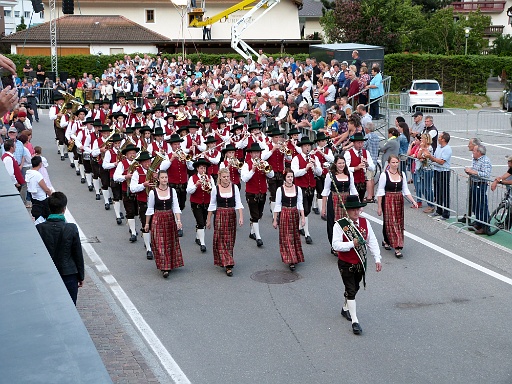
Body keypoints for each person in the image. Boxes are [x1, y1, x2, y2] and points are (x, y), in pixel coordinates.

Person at [332, 195, 382, 335]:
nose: (355, 212)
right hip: (345, 263)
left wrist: (377, 259)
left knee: (355, 287)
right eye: (352, 209)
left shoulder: (365, 222)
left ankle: (345, 307)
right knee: (351, 290)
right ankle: (355, 321)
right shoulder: (339, 225)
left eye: (357, 209)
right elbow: (335, 245)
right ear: (347, 210)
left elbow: (372, 241)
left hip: (360, 262)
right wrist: (351, 244)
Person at [36, 192, 84, 305]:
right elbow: (77, 253)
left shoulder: (39, 228)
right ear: (64, 209)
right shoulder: (71, 228)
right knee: (71, 306)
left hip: (48, 273)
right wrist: (81, 275)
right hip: (69, 273)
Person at [377, 155, 418, 258]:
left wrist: (413, 201)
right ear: (389, 163)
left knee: (398, 222)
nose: (395, 164)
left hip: (399, 199)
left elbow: (405, 190)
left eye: (396, 162)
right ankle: (397, 247)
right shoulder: (384, 175)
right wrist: (379, 207)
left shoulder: (402, 174)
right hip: (388, 199)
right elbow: (380, 192)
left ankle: (387, 241)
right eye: (393, 162)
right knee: (391, 222)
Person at [145, 170, 184, 278]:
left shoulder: (172, 191)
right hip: (158, 218)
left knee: (169, 242)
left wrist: (178, 221)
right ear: (158, 179)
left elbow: (176, 206)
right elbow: (150, 208)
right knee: (159, 242)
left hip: (169, 218)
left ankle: (168, 263)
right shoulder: (153, 192)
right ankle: (164, 267)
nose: (164, 180)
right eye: (162, 178)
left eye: (166, 177)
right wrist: (147, 224)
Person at [206, 168, 244, 277]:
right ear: (220, 177)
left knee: (230, 239)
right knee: (221, 238)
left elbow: (238, 203)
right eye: (224, 177)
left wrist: (241, 216)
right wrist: (208, 220)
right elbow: (212, 205)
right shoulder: (215, 189)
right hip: (219, 215)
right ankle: (228, 264)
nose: (226, 179)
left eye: (227, 176)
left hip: (231, 215)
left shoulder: (234, 187)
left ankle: (227, 259)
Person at [241, 142, 275, 247]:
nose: (256, 155)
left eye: (258, 153)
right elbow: (244, 178)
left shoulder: (263, 162)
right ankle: (258, 237)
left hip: (262, 192)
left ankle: (252, 232)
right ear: (250, 154)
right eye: (254, 153)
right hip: (251, 193)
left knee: (259, 214)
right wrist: (253, 170)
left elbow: (271, 174)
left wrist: (266, 170)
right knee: (255, 215)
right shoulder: (246, 164)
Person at [322, 155, 357, 253]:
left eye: (343, 163)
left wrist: (357, 203)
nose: (341, 165)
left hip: (346, 201)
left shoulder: (349, 173)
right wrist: (323, 208)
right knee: (334, 223)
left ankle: (346, 243)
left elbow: (353, 188)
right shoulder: (330, 175)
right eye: (339, 163)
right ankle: (335, 245)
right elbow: (325, 191)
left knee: (347, 222)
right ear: (335, 164)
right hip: (334, 200)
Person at [272, 169, 305, 271]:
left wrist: (302, 217)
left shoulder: (297, 189)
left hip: (294, 213)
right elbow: (277, 205)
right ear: (285, 178)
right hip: (285, 213)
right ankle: (290, 260)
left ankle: (295, 256)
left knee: (294, 236)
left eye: (291, 177)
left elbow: (300, 204)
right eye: (288, 177)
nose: (290, 179)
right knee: (286, 237)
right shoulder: (280, 190)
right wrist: (275, 219)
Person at [291, 136, 322, 244]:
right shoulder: (296, 158)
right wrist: (306, 169)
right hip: (301, 187)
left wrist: (315, 166)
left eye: (309, 145)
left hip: (311, 187)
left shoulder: (314, 158)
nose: (307, 148)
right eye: (305, 146)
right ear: (302, 147)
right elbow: (294, 173)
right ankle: (307, 234)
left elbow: (320, 173)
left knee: (307, 209)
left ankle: (300, 226)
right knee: (305, 209)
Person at [187, 157, 214, 253]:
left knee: (203, 221)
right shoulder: (192, 178)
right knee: (201, 223)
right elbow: (188, 190)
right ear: (197, 169)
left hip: (207, 203)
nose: (203, 170)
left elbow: (214, 191)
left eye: (204, 168)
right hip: (196, 203)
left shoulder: (209, 177)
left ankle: (198, 237)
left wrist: (210, 184)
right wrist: (196, 185)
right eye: (201, 168)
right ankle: (202, 243)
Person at [464, 144, 492, 234]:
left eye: (474, 151)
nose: (473, 152)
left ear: (479, 152)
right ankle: (478, 222)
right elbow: (474, 169)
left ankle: (485, 226)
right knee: (475, 204)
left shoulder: (485, 161)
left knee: (482, 206)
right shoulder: (475, 159)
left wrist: (473, 172)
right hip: (474, 182)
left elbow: (486, 174)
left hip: (481, 184)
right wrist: (469, 171)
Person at [424, 131, 452, 220]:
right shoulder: (439, 147)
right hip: (437, 170)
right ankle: (439, 210)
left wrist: (431, 157)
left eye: (440, 137)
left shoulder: (447, 149)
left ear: (443, 139)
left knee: (444, 192)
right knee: (437, 191)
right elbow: (435, 158)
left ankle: (446, 213)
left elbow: (441, 161)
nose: (438, 138)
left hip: (444, 171)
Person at [344, 132, 374, 203]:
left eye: (362, 143)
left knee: (360, 201)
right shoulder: (348, 153)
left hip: (362, 183)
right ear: (354, 143)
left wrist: (367, 164)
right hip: (352, 182)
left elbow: (373, 168)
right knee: (352, 203)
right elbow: (344, 168)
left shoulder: (366, 152)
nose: (361, 145)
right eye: (358, 143)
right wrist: (356, 168)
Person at [25, 156, 53, 220]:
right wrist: (51, 195)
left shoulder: (28, 173)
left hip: (34, 198)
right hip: (42, 199)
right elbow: (45, 189)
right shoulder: (37, 175)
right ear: (40, 164)